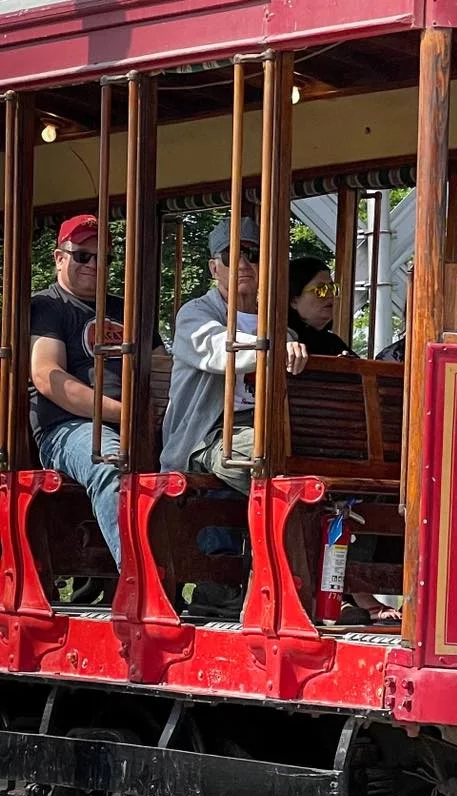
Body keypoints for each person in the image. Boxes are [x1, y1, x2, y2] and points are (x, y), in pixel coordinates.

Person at [162, 215, 310, 490]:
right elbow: (221, 349)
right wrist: (276, 349)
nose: (242, 264)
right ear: (214, 268)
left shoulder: (277, 325)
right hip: (206, 435)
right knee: (261, 452)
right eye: (231, 256)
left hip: (266, 429)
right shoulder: (195, 315)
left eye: (252, 254)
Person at [29, 214, 127, 577]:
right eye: (82, 255)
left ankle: (217, 591)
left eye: (103, 258)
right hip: (69, 429)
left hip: (140, 426)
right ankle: (139, 586)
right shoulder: (48, 306)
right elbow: (47, 376)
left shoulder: (129, 307)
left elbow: (164, 368)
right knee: (110, 464)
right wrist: (121, 413)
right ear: (59, 258)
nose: (93, 265)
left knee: (203, 462)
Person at [289, 257, 353, 356]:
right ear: (294, 300)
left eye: (332, 289)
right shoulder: (285, 340)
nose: (330, 295)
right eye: (321, 290)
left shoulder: (334, 342)